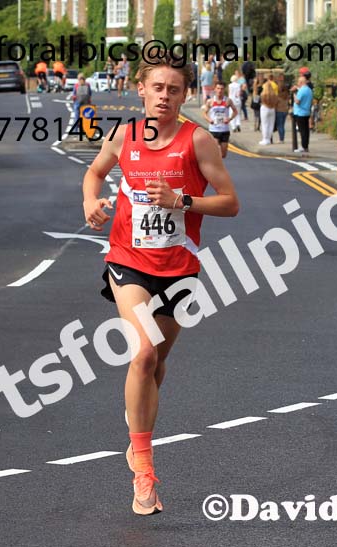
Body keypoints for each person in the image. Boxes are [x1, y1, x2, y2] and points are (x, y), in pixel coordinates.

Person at [82, 53, 239, 516]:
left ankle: (138, 421)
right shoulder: (124, 137)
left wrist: (182, 200)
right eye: (157, 88)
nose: (164, 96)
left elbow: (230, 203)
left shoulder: (199, 141)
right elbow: (94, 172)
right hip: (128, 260)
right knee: (144, 352)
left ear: (185, 94)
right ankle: (144, 470)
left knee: (157, 365)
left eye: (174, 89)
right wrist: (91, 202)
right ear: (142, 90)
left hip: (179, 266)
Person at [202, 81, 238, 158]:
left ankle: (218, 164)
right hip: (214, 130)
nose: (220, 90)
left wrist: (229, 119)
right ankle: (216, 168)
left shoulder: (228, 101)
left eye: (221, 89)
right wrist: (209, 120)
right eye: (218, 88)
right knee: (215, 151)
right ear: (215, 89)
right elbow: (204, 113)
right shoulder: (210, 101)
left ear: (224, 90)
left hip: (224, 130)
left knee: (223, 154)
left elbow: (235, 111)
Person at [291, 75, 313, 153]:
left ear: (301, 82)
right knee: (306, 131)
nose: (298, 83)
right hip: (306, 112)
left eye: (298, 82)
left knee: (302, 131)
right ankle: (306, 146)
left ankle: (303, 147)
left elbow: (297, 101)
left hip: (300, 113)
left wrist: (294, 96)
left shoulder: (302, 91)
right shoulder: (309, 90)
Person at [259, 73, 278, 145]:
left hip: (265, 108)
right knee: (271, 124)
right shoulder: (274, 94)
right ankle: (269, 139)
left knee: (264, 124)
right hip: (272, 109)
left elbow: (261, 100)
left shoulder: (264, 94)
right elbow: (276, 100)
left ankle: (265, 139)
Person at [274, 75, 289, 143]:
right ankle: (282, 138)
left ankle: (281, 139)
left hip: (279, 111)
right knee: (282, 125)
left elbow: (275, 103)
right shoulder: (286, 95)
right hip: (285, 111)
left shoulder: (278, 96)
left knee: (280, 125)